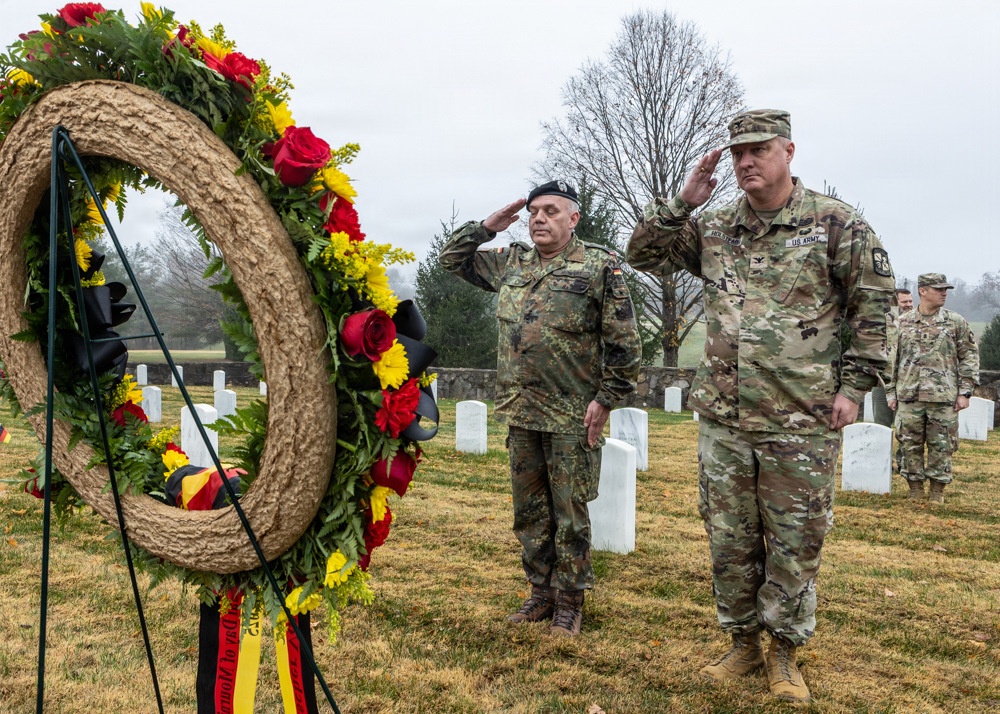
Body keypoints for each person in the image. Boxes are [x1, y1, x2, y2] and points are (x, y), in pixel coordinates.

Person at [626, 109, 895, 704]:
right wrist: (683, 202)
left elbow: (873, 313)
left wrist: (853, 390)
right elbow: (642, 255)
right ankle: (743, 643)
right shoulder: (717, 226)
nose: (746, 161)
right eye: (737, 152)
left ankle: (787, 653)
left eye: (758, 150)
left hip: (801, 419)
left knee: (795, 540)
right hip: (725, 417)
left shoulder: (836, 224)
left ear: (789, 151)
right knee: (729, 538)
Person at [438, 180, 641, 637]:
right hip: (521, 410)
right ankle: (540, 593)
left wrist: (606, 399)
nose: (539, 219)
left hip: (572, 413)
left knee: (570, 511)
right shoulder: (512, 262)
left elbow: (624, 343)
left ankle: (570, 601)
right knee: (529, 511)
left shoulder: (599, 266)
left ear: (574, 219)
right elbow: (451, 260)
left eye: (551, 211)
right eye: (533, 211)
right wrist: (487, 227)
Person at [886, 273, 979, 503]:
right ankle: (915, 489)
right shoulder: (902, 322)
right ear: (922, 291)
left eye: (945, 289)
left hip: (943, 396)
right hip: (909, 394)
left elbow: (969, 355)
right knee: (909, 444)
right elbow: (890, 360)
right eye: (938, 289)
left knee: (943, 445)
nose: (944, 293)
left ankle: (937, 492)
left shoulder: (954, 322)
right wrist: (890, 392)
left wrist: (965, 391)